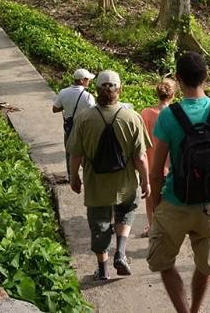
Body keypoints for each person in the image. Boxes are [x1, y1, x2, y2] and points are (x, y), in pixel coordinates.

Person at [147, 52, 210, 313]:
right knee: (204, 265)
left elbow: (156, 173)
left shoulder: (168, 116)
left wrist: (155, 207)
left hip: (175, 203)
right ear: (206, 76)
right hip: (209, 206)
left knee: (165, 263)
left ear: (178, 79)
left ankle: (183, 312)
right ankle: (195, 310)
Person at [68, 70, 151, 281]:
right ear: (119, 89)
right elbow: (140, 157)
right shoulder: (132, 118)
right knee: (126, 213)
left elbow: (75, 153)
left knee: (99, 224)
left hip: (96, 183)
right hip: (125, 183)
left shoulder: (84, 118)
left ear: (96, 90)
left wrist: (73, 176)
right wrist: (146, 181)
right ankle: (121, 253)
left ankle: (103, 269)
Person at [140, 78, 176, 236]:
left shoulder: (146, 114)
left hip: (150, 165)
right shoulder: (176, 115)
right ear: (173, 95)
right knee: (169, 202)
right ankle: (167, 229)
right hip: (172, 167)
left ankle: (152, 227)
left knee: (150, 200)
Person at [53, 68, 96, 183]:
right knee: (85, 154)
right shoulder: (88, 97)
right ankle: (88, 176)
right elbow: (94, 114)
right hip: (83, 130)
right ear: (82, 80)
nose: (89, 82)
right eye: (87, 79)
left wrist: (67, 107)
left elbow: (55, 109)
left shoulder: (63, 92)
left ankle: (71, 176)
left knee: (69, 153)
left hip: (69, 129)